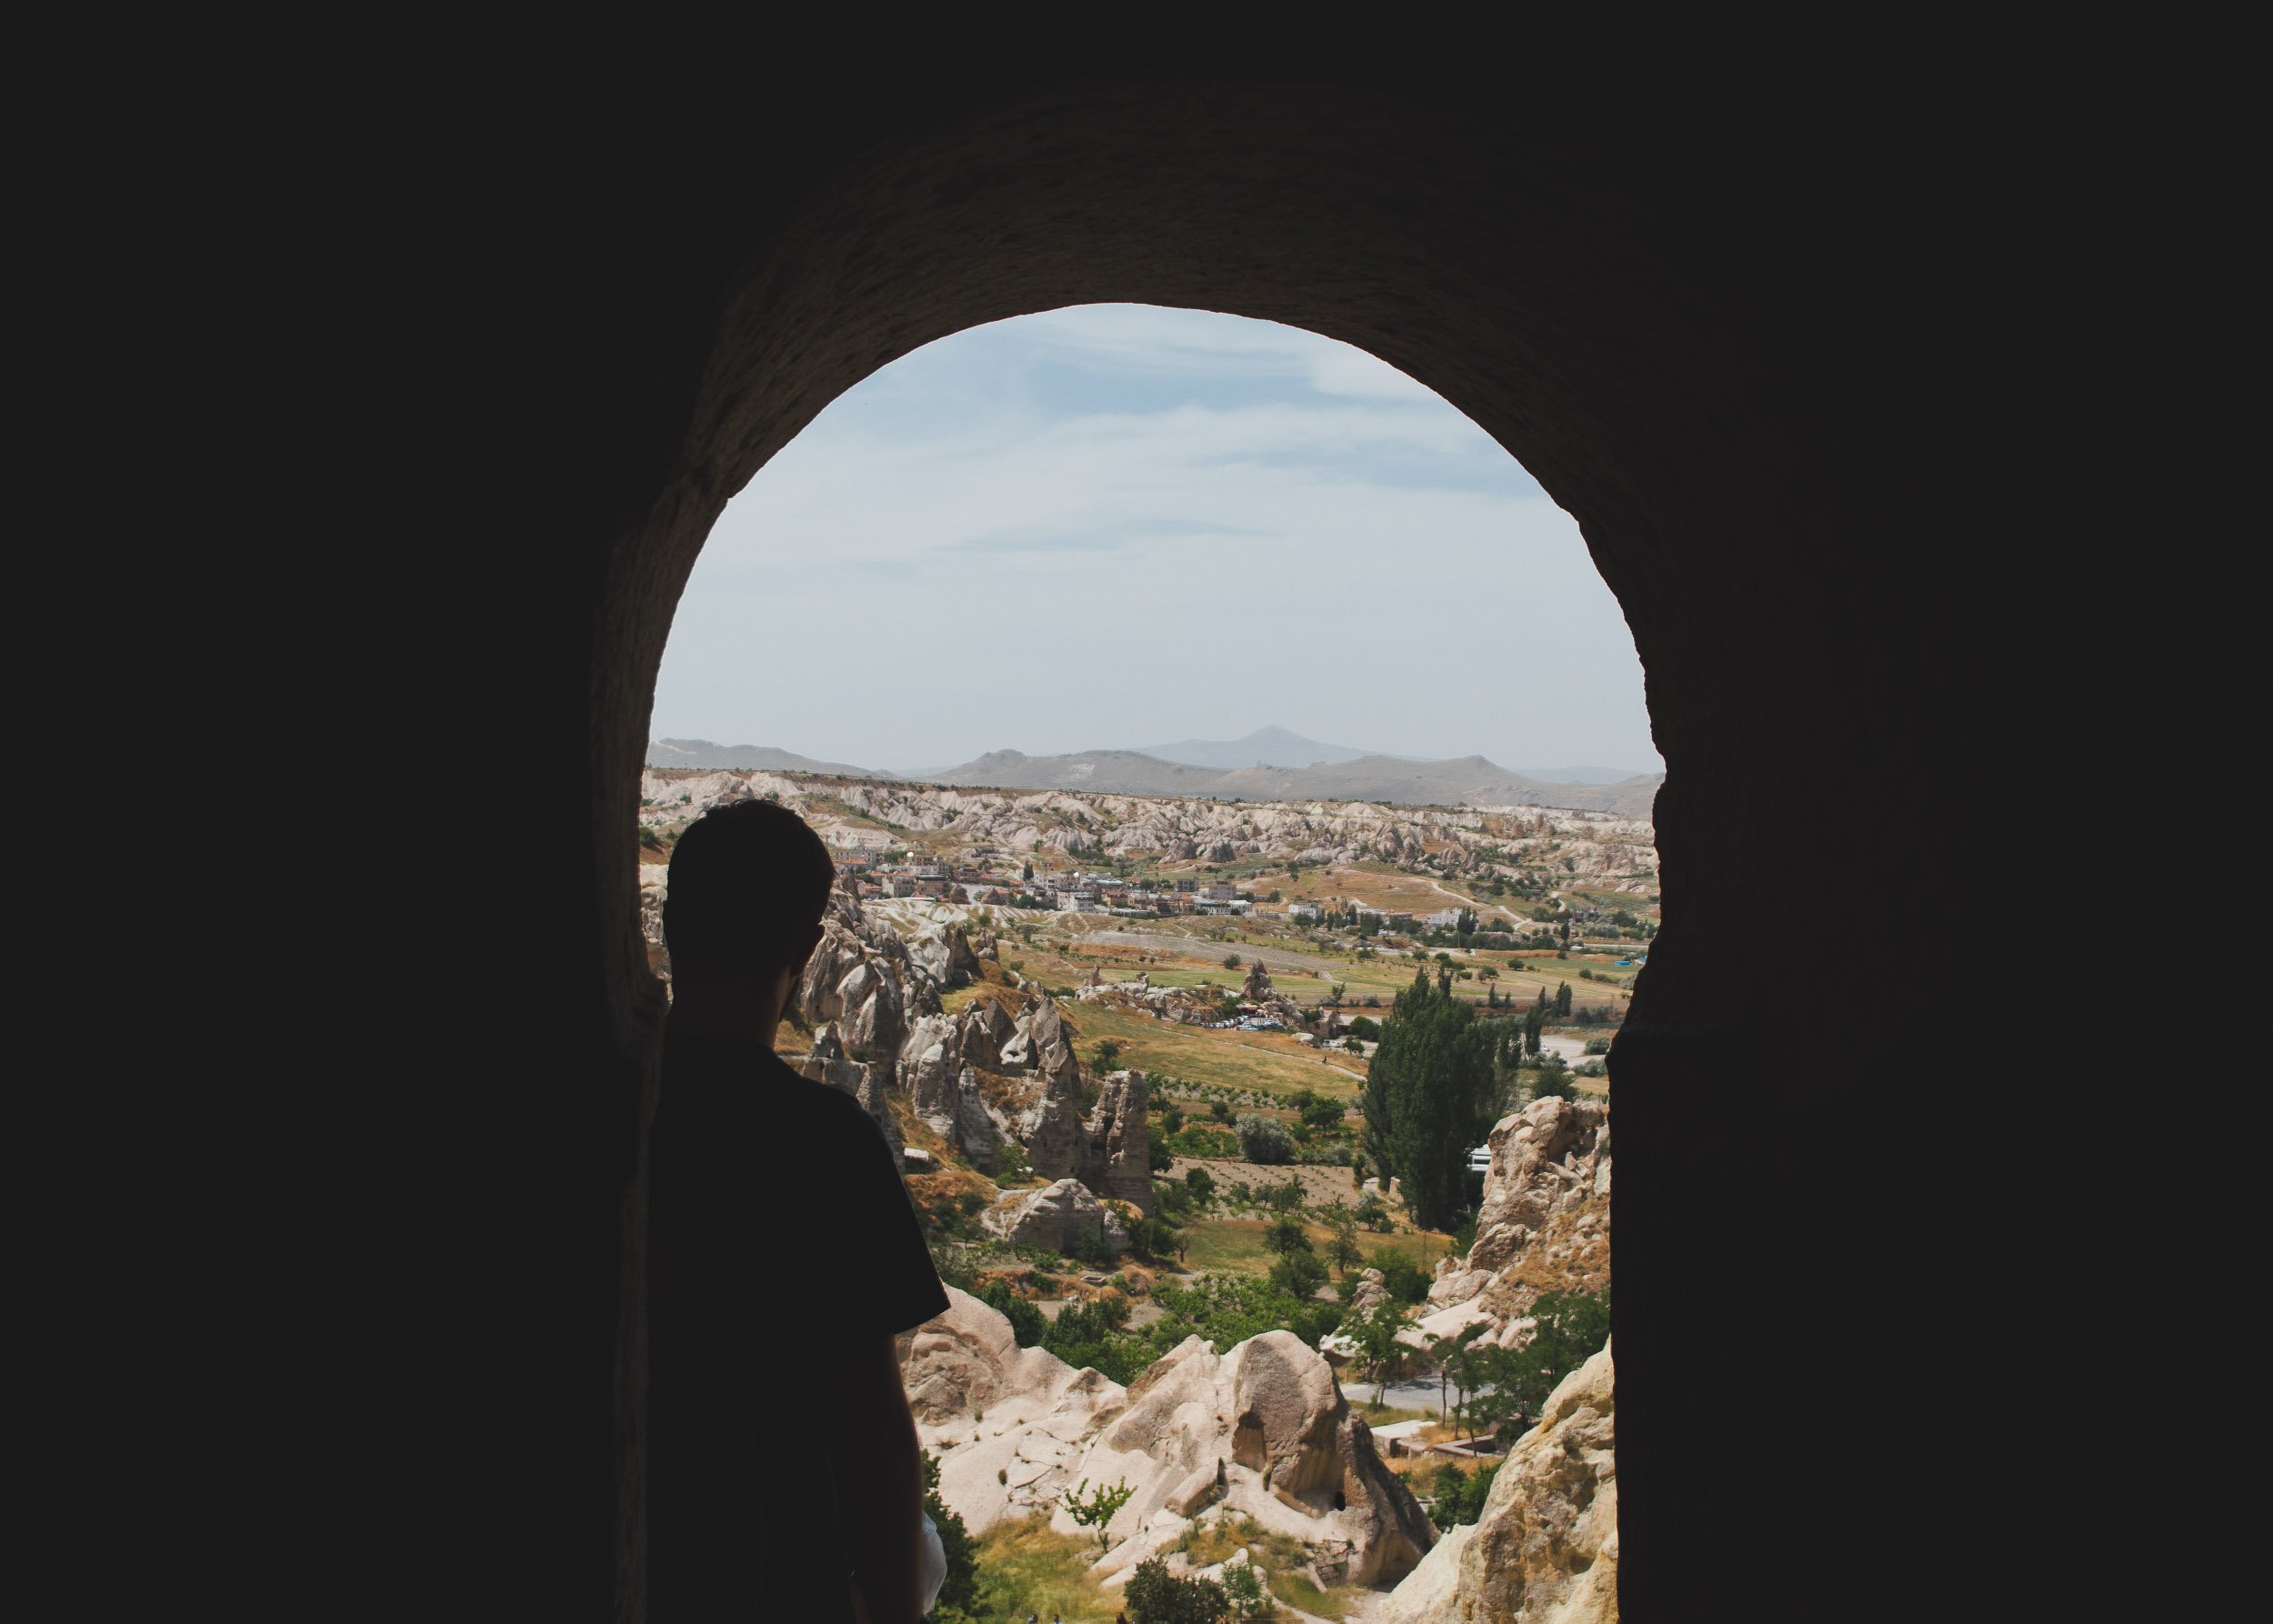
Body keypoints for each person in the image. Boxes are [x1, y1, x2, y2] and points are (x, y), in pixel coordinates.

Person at [647, 800, 949, 1622]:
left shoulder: (600, 1110)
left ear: (672, 924)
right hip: (771, 1568)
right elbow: (875, 1431)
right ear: (807, 949)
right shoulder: (824, 1144)